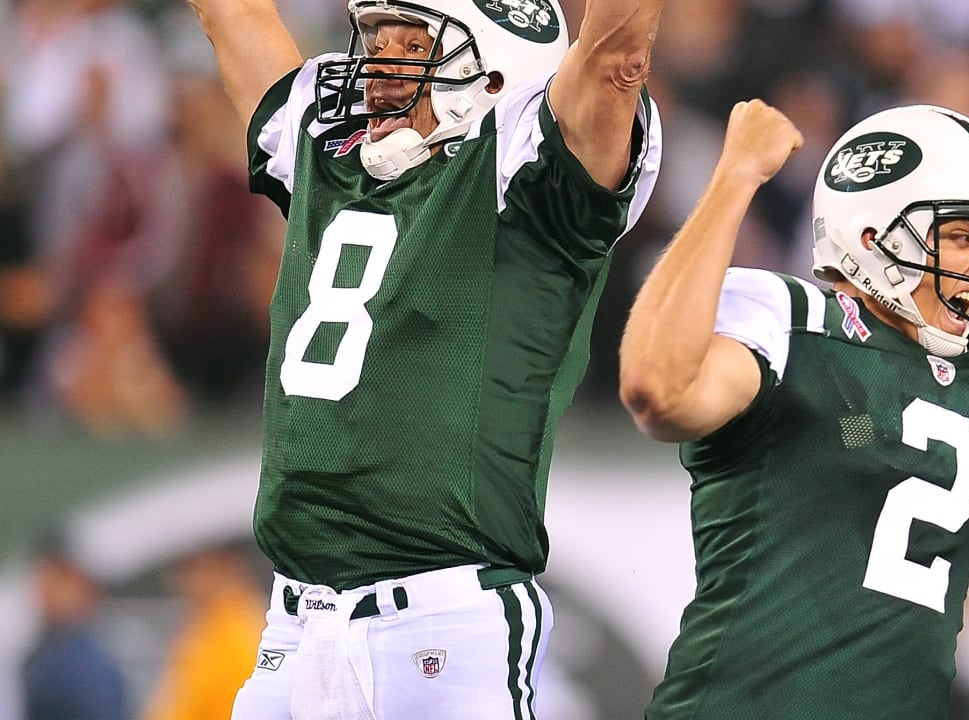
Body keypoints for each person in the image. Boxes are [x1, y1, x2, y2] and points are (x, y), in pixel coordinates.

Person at [184, 0, 663, 716]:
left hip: (442, 624)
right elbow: (234, 13)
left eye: (412, 48)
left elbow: (615, 57)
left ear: (495, 76)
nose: (377, 69)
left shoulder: (524, 178)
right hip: (293, 623)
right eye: (377, 41)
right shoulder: (331, 154)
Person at [618, 100, 969, 719]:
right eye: (963, 237)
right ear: (873, 238)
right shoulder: (792, 326)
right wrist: (736, 176)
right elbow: (657, 390)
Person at [140, 544, 266, 720]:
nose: (181, 577)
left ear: (228, 563)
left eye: (192, 564)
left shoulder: (240, 637)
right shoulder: (200, 627)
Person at [21, 530, 132, 720]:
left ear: (86, 588)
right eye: (44, 575)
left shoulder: (88, 668)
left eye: (59, 577)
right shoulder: (44, 652)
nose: (46, 588)